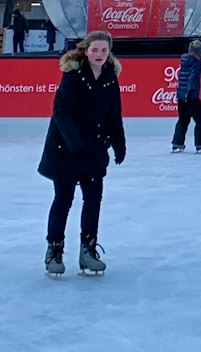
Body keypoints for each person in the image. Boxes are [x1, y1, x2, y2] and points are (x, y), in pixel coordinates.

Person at [38, 31, 125, 278]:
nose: (99, 55)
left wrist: (119, 143)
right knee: (63, 200)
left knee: (93, 200)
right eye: (95, 50)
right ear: (85, 50)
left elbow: (113, 114)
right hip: (66, 149)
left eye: (104, 51)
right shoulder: (73, 77)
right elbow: (61, 113)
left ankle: (88, 250)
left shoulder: (110, 78)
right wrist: (75, 145)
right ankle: (54, 250)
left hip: (95, 150)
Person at [172, 39, 201, 152]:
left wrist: (183, 93)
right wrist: (190, 91)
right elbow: (193, 78)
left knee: (183, 119)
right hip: (191, 95)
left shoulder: (184, 61)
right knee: (200, 119)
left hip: (181, 95)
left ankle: (177, 143)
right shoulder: (197, 62)